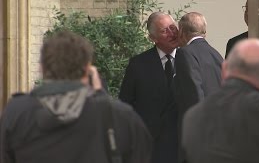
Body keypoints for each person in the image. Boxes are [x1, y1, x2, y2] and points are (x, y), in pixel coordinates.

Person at [0, 31, 152, 163]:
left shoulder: (16, 112)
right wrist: (101, 96)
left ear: (42, 68)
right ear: (88, 69)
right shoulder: (120, 116)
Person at [119, 12, 179, 163]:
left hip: (181, 146)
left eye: (173, 27)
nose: (172, 33)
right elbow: (125, 105)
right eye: (165, 31)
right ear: (153, 38)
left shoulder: (190, 60)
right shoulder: (138, 64)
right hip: (150, 147)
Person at [174, 11, 223, 162]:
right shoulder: (216, 54)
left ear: (181, 31)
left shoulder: (185, 53)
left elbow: (195, 93)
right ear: (204, 32)